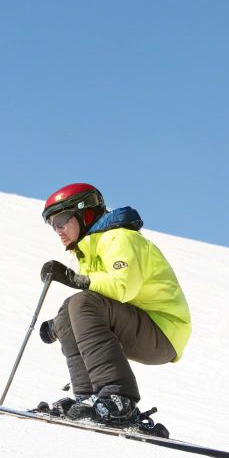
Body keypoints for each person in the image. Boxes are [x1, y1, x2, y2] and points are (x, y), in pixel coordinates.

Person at [35, 183, 190, 437]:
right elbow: (97, 300)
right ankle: (88, 398)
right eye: (52, 224)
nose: (58, 230)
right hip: (137, 325)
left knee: (80, 302)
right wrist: (58, 325)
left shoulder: (120, 238)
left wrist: (75, 279)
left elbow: (122, 288)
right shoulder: (89, 249)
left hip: (164, 331)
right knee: (70, 307)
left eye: (61, 220)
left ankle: (120, 399)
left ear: (84, 213)